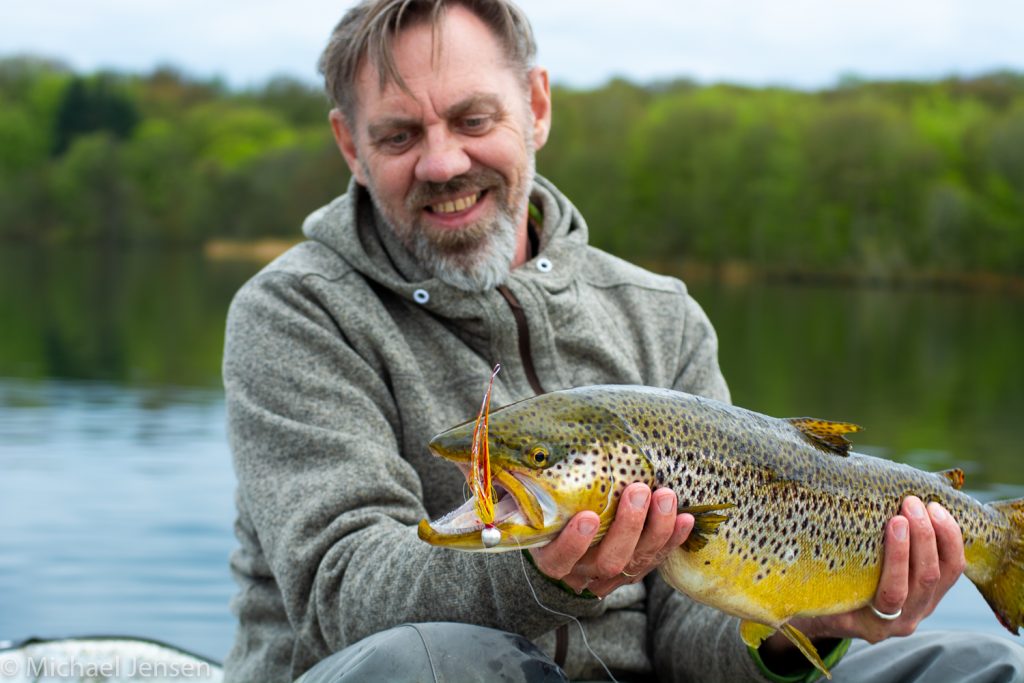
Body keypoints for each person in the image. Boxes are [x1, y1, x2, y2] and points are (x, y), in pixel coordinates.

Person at [221, 1, 1024, 681]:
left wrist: (801, 624)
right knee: (430, 660)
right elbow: (339, 595)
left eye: (473, 119)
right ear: (349, 146)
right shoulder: (293, 313)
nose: (443, 161)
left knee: (974, 666)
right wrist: (539, 569)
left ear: (535, 106)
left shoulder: (660, 314)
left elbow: (686, 631)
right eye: (399, 136)